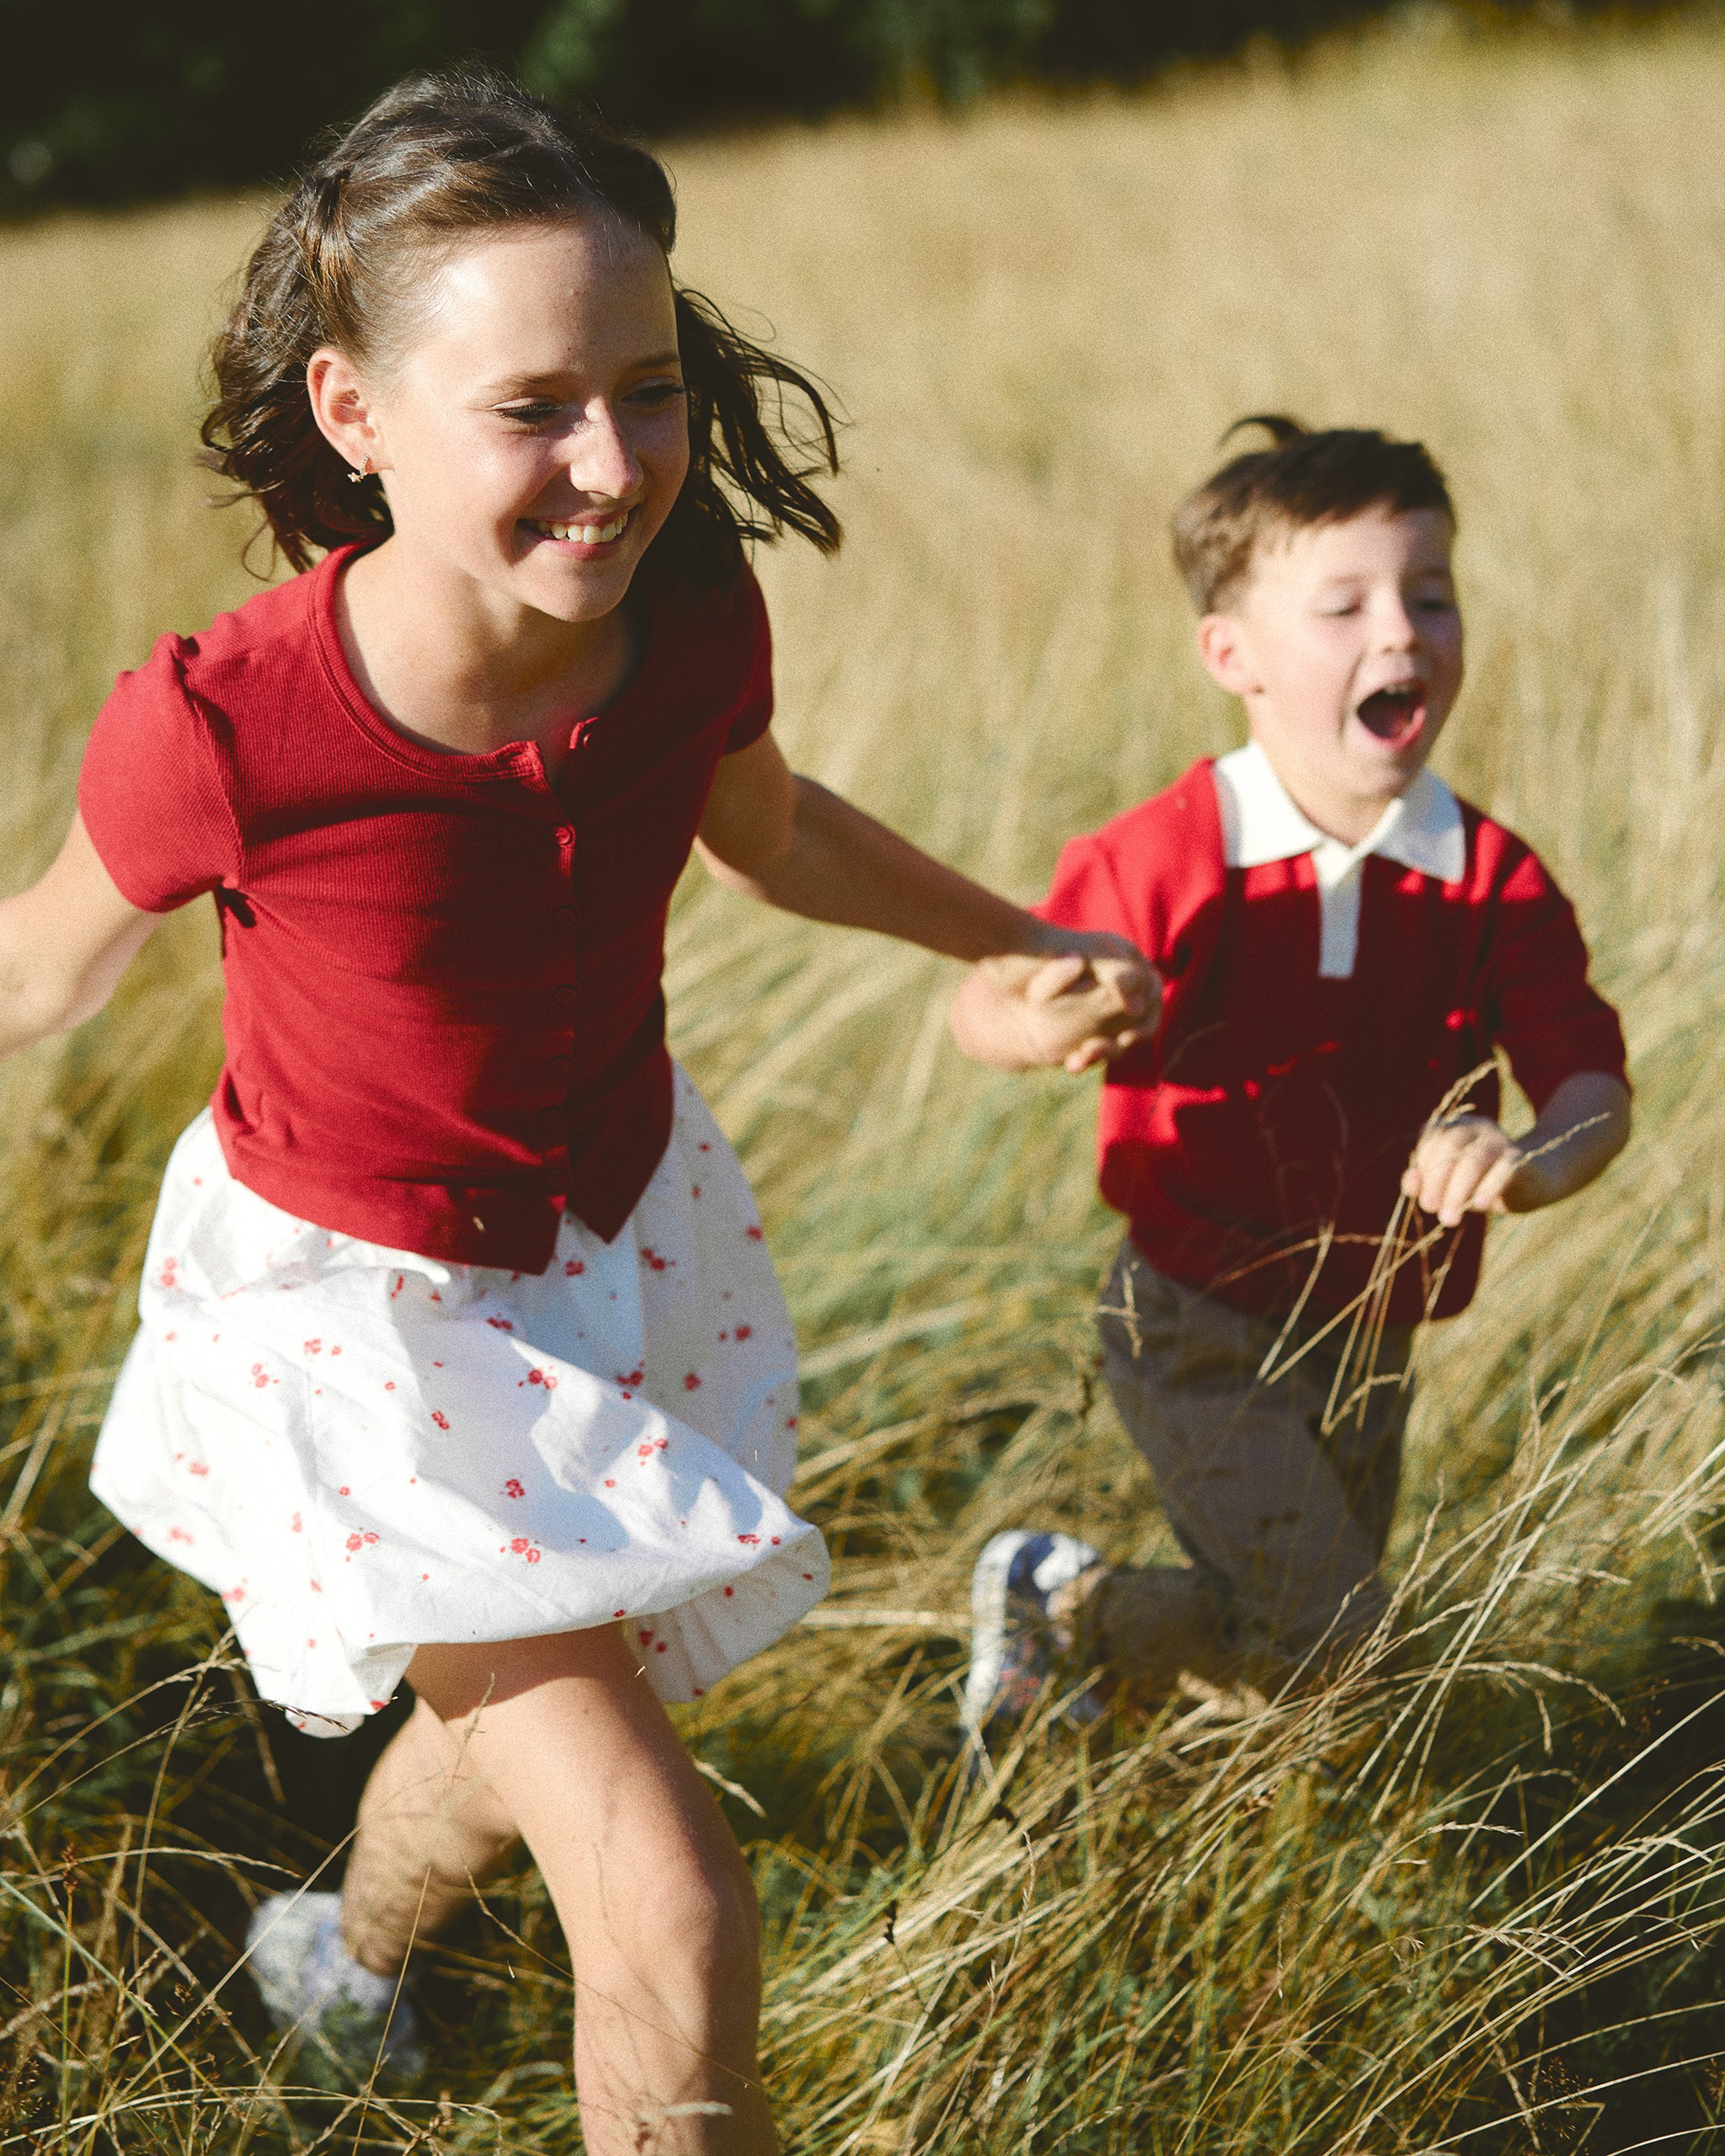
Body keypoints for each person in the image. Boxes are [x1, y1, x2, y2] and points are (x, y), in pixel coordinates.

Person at [0, 71, 1152, 2154]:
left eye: (649, 386)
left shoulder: (692, 614)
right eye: (532, 407)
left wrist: (1012, 934)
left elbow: (772, 836)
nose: (614, 467)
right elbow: (33, 967)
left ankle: (332, 1959)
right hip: (364, 1320)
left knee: (540, 1699)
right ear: (353, 412)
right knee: (673, 1898)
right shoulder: (227, 725)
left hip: (618, 1238)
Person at [948, 417, 1631, 1742]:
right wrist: (1043, 1022)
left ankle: (1060, 1609)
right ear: (1234, 657)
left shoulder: (1490, 880)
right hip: (1190, 1316)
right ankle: (1085, 1634)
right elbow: (984, 1000)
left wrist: (1537, 1160)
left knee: (1296, 1641)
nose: (1402, 631)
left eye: (1431, 595)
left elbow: (1593, 1081)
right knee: (1344, 1641)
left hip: (1372, 1334)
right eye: (1345, 605)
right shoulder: (1166, 853)